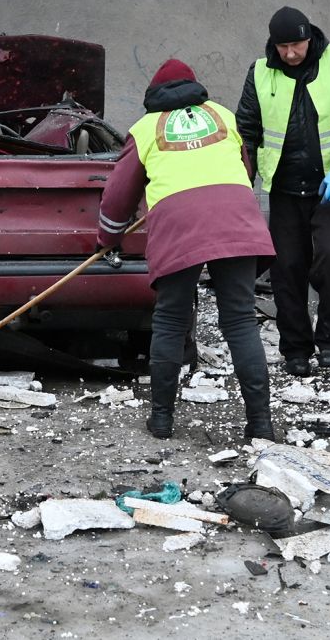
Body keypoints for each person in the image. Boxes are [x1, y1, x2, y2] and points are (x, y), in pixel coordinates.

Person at [98, 59, 277, 441]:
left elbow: (117, 196)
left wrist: (108, 239)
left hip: (179, 226)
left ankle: (162, 420)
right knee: (241, 321)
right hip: (236, 219)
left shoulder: (146, 129)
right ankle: (260, 425)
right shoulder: (223, 115)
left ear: (153, 96)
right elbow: (245, 170)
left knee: (170, 321)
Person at [235, 7, 330, 378]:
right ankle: (295, 348)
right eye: (283, 47)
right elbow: (246, 128)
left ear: (309, 38)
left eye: (296, 45)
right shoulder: (261, 71)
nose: (291, 54)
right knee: (287, 267)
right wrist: (241, 180)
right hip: (283, 186)